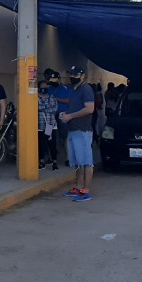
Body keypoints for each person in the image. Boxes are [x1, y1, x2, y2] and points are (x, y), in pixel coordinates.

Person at [60, 65, 95, 202]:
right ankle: (78, 187)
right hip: (74, 129)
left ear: (82, 76)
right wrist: (66, 114)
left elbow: (90, 109)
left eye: (75, 75)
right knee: (78, 162)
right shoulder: (75, 89)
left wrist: (71, 116)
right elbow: (75, 105)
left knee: (86, 162)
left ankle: (85, 191)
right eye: (71, 75)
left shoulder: (86, 89)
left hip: (82, 130)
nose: (72, 77)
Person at [48, 70, 72, 164]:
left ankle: (68, 158)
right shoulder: (49, 88)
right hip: (50, 115)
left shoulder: (65, 89)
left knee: (64, 137)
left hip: (62, 115)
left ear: (59, 79)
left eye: (55, 79)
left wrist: (56, 99)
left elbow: (68, 101)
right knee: (49, 136)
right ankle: (52, 157)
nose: (53, 81)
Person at [37, 80, 59, 170]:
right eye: (43, 87)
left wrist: (41, 109)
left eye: (46, 87)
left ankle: (54, 162)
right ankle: (41, 161)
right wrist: (47, 108)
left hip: (51, 124)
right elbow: (35, 108)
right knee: (41, 144)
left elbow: (55, 109)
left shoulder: (51, 97)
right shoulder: (35, 97)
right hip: (40, 125)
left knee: (52, 144)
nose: (44, 89)